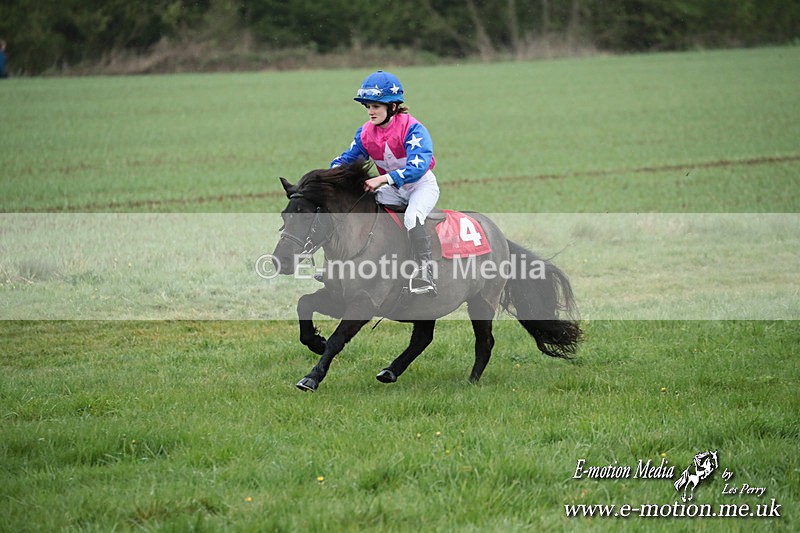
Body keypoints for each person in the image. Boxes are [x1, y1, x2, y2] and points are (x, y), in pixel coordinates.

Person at [331, 70, 440, 295]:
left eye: (375, 107)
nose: (370, 112)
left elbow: (418, 167)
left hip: (421, 186)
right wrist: (329, 176)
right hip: (392, 190)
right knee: (362, 209)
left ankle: (425, 273)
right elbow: (346, 160)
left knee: (412, 217)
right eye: (368, 107)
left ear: (392, 107)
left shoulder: (413, 128)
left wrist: (383, 178)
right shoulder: (365, 134)